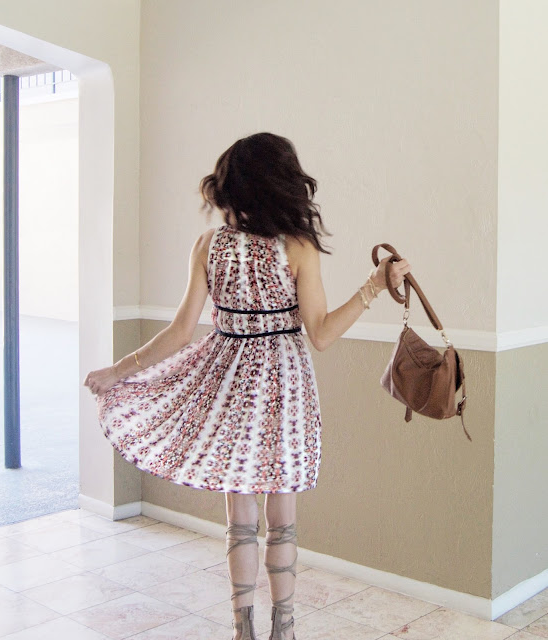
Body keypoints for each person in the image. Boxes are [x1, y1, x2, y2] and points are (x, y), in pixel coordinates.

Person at [84, 132, 410, 640]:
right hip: (284, 385)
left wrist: (117, 371)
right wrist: (374, 287)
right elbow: (322, 335)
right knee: (282, 520)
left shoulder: (208, 245)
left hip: (229, 384)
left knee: (239, 519)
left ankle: (243, 630)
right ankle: (285, 629)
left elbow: (180, 332)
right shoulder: (297, 246)